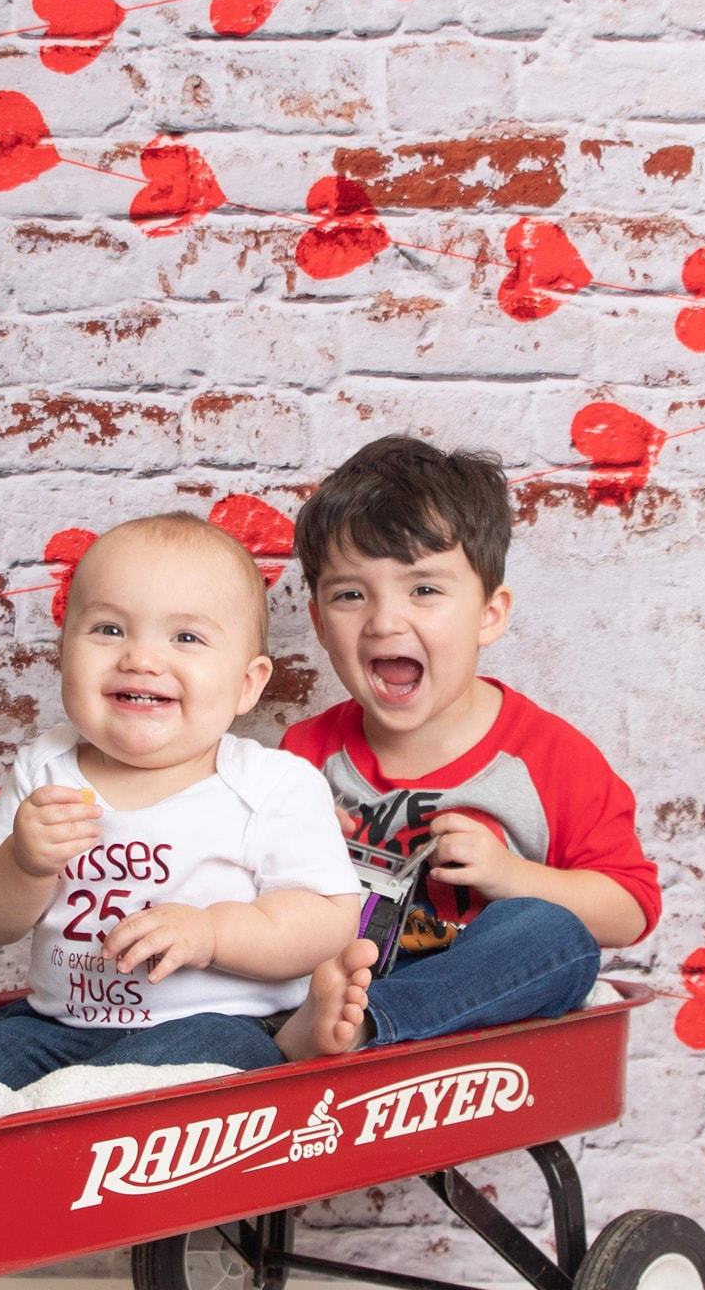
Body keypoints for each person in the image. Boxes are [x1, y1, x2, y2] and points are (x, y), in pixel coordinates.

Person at [0, 512, 363, 1089]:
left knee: (178, 1070)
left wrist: (212, 933)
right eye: (109, 629)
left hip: (216, 1020)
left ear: (247, 684)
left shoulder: (270, 785)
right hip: (59, 1025)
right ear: (62, 654)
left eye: (186, 638)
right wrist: (21, 862)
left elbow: (328, 920)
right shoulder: (46, 769)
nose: (140, 658)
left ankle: (100, 1093)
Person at [268, 435, 662, 1060]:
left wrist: (512, 876)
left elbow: (630, 910)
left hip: (464, 1012)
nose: (384, 621)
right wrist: (289, 846)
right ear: (318, 621)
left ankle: (369, 1027)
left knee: (552, 935)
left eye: (424, 590)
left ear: (489, 614)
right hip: (330, 982)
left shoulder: (549, 756)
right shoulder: (306, 751)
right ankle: (322, 1025)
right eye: (350, 594)